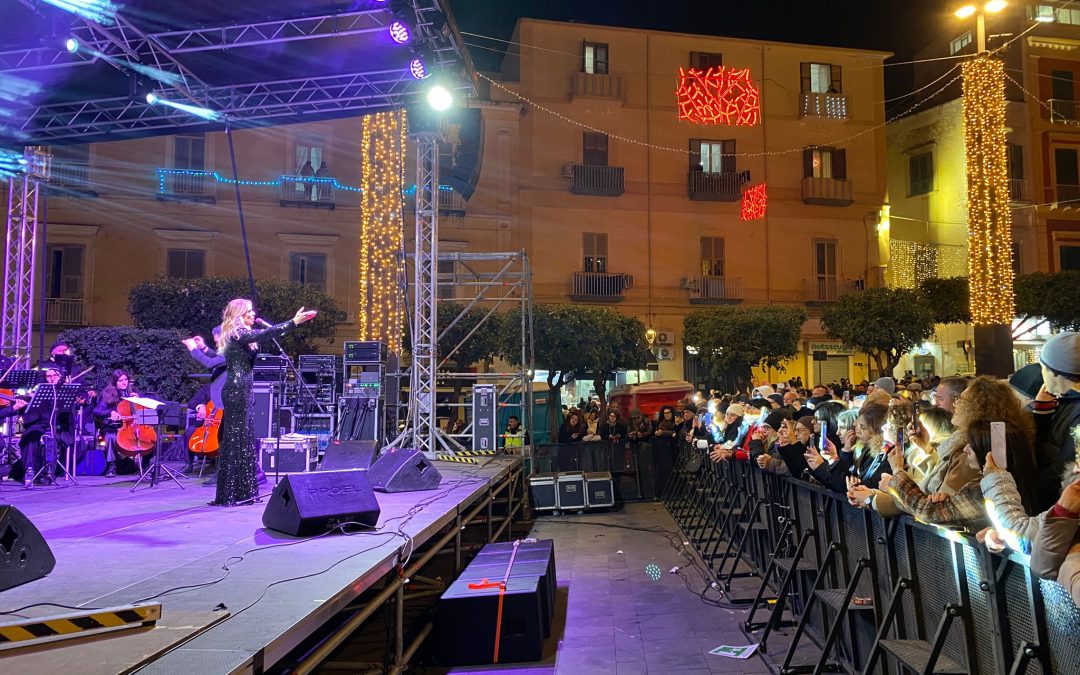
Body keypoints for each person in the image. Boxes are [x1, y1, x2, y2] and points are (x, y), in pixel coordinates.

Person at [211, 299, 317, 507]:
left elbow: (264, 335)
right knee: (236, 439)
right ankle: (231, 492)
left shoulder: (242, 335)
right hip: (236, 390)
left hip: (244, 389)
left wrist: (291, 325)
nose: (253, 314)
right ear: (239, 314)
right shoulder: (237, 333)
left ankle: (241, 491)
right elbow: (263, 334)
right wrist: (292, 322)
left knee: (244, 438)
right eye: (249, 311)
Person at [93, 369, 141, 477]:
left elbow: (144, 407)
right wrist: (111, 412)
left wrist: (139, 399)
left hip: (132, 426)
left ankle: (146, 465)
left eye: (125, 380)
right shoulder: (108, 394)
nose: (124, 383)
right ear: (115, 383)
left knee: (149, 436)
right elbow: (97, 411)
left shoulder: (133, 391)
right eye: (120, 381)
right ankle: (111, 466)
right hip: (115, 427)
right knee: (110, 436)